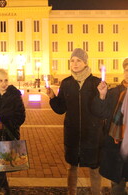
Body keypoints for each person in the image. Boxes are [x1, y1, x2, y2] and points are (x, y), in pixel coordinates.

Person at [46, 48, 104, 195]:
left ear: (85, 63)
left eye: (78, 60)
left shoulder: (96, 83)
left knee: (94, 167)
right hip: (72, 133)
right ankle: (72, 192)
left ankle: (96, 192)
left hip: (92, 133)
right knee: (72, 166)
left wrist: (102, 96)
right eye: (72, 60)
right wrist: (53, 97)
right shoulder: (66, 83)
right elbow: (61, 109)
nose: (75, 63)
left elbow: (101, 111)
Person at [0, 68, 26, 195]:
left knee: (3, 160)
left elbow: (21, 117)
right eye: (0, 80)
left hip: (8, 133)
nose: (4, 83)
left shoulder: (15, 95)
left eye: (6, 80)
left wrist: (4, 125)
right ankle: (5, 185)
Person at [92, 58, 128, 195]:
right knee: (118, 187)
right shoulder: (114, 92)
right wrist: (102, 96)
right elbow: (100, 112)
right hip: (117, 146)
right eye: (126, 70)